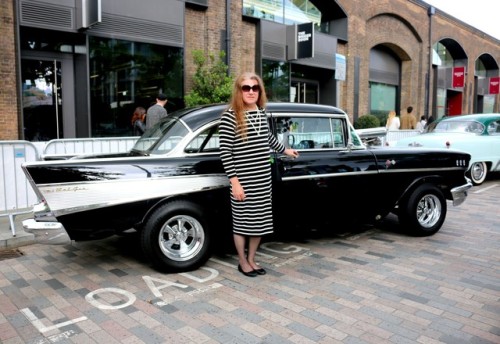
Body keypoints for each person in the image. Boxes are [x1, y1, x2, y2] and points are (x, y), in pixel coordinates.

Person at [219, 72, 299, 277]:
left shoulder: (260, 111)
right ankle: (242, 261)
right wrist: (235, 183)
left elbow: (268, 138)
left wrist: (285, 150)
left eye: (255, 88)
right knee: (242, 222)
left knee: (260, 221)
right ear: (239, 91)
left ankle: (252, 259)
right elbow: (225, 152)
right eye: (246, 88)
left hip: (262, 178)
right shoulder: (230, 116)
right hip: (243, 180)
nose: (251, 91)